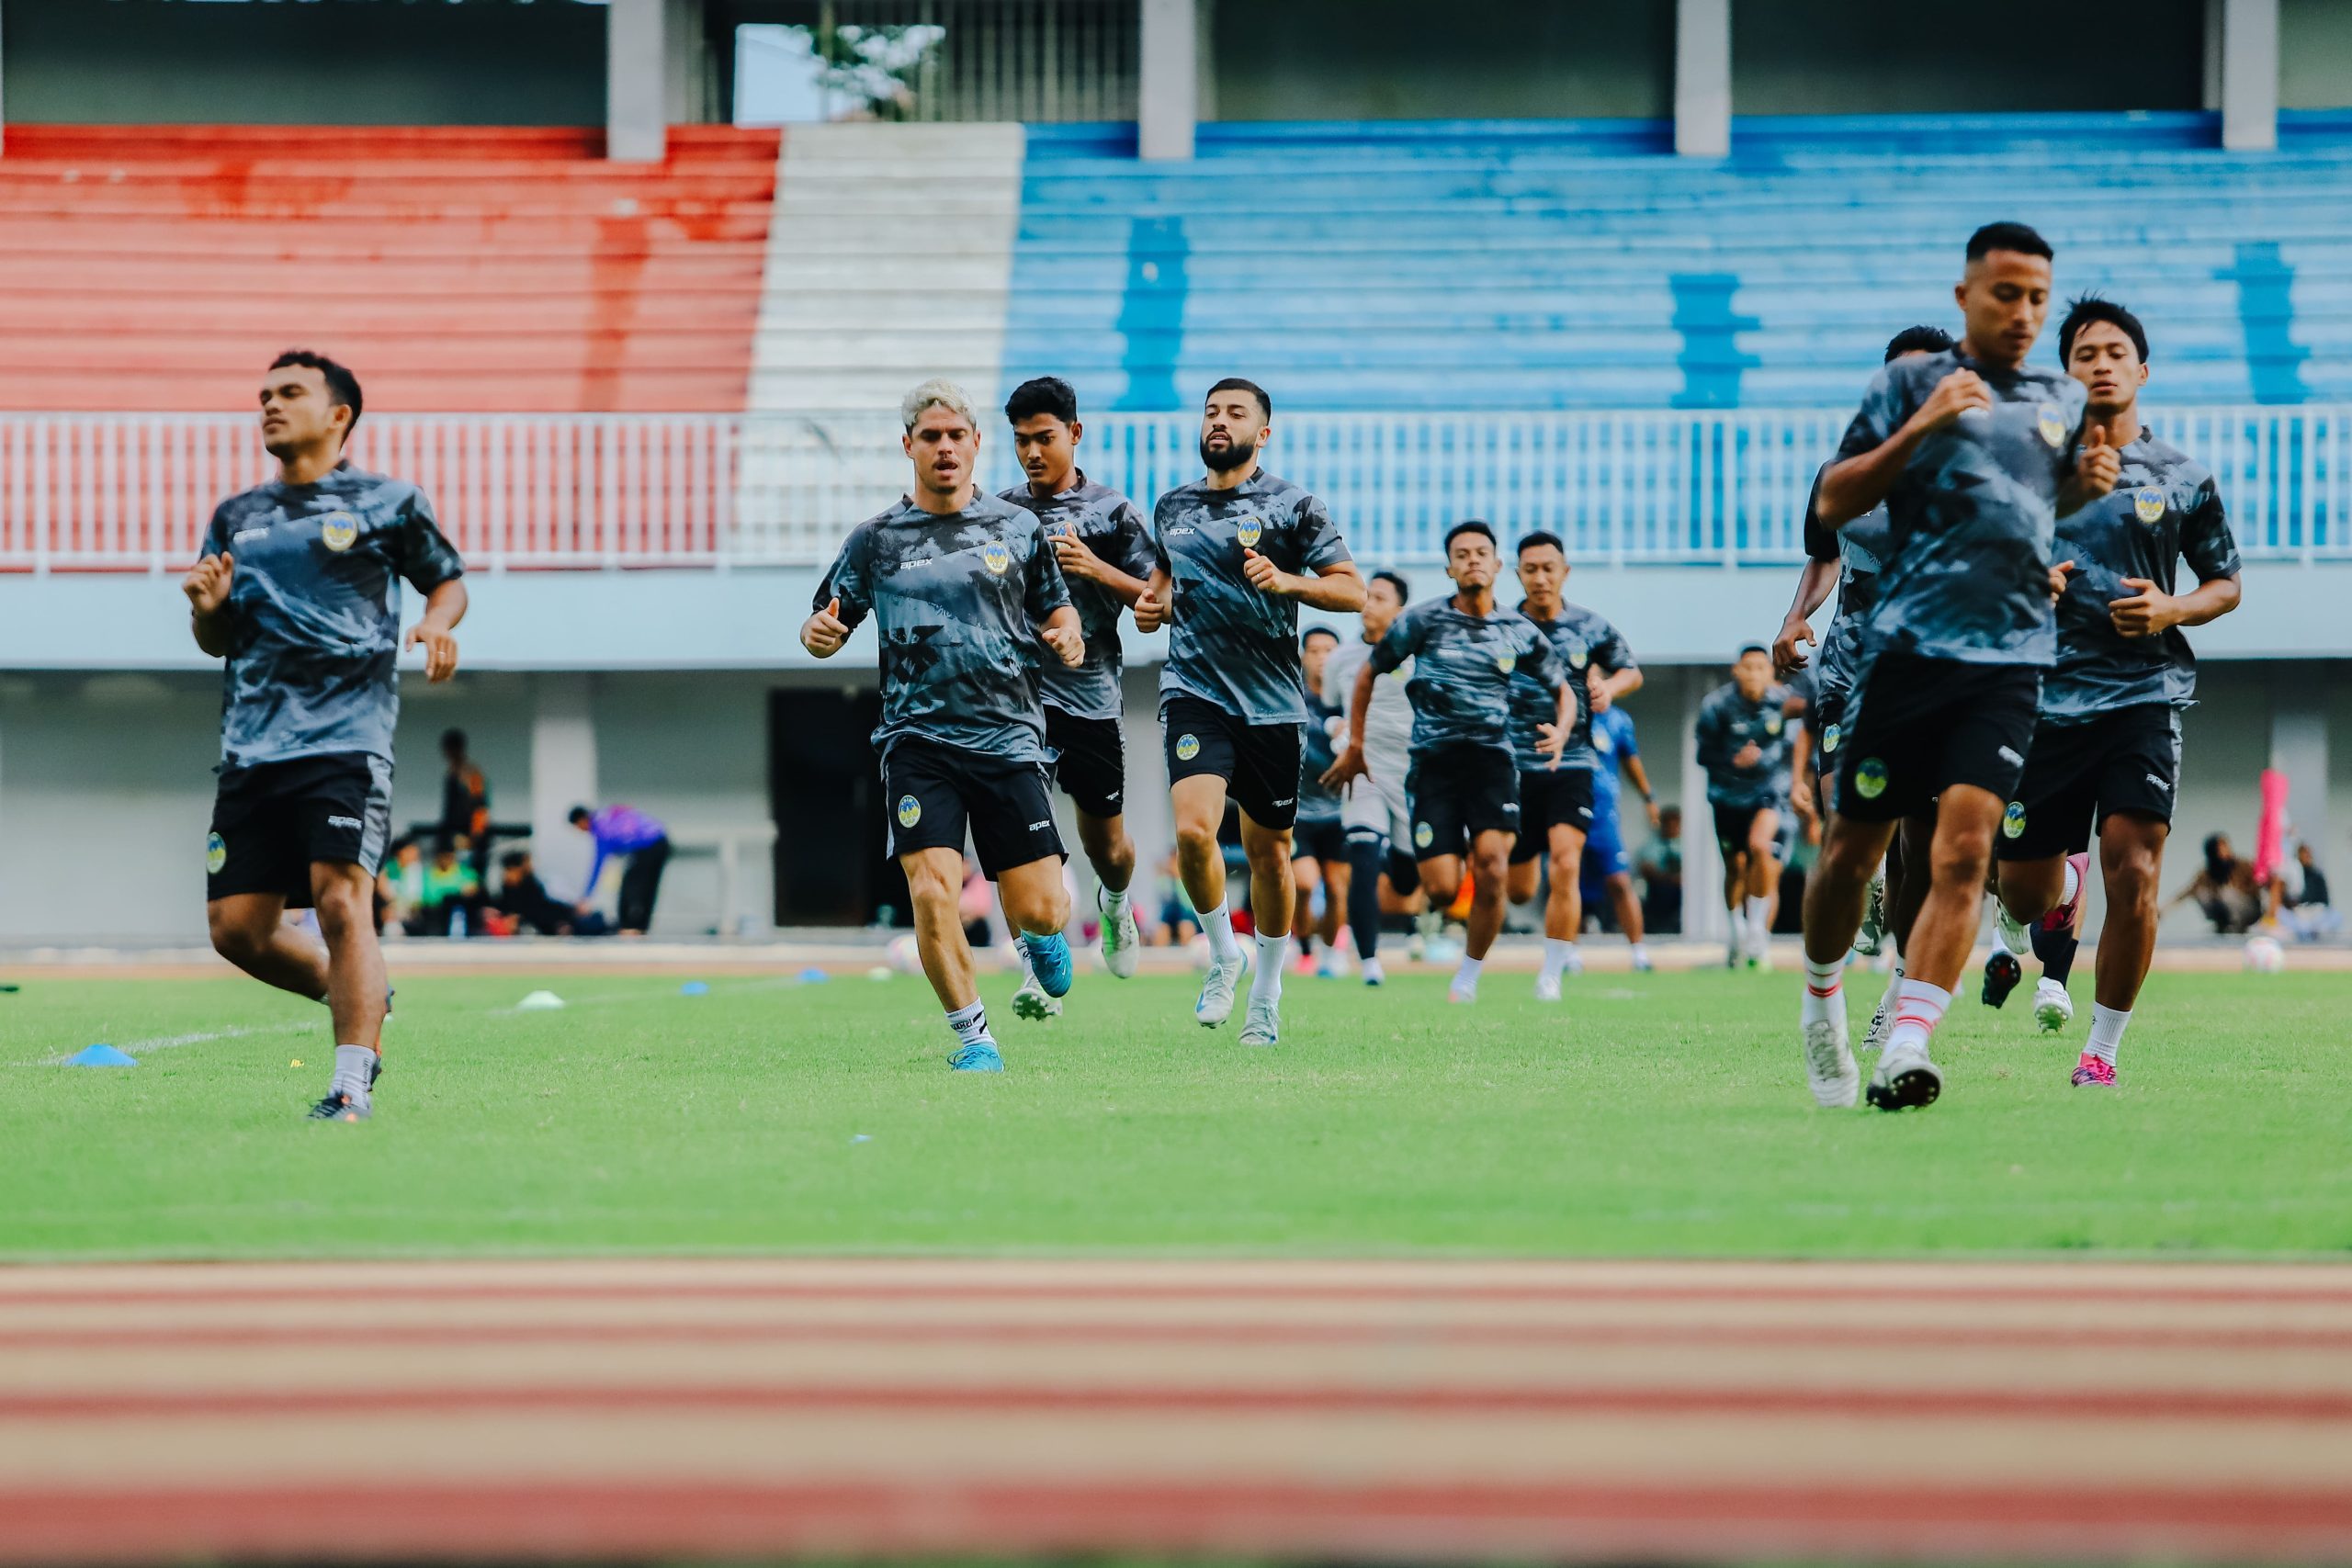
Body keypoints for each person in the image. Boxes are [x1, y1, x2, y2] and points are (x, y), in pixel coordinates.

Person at [1799, 221, 2114, 1111]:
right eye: (2004, 294)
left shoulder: (2058, 397)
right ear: (1965, 297)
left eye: (2036, 298)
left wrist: (2081, 490)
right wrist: (1924, 425)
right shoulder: (1908, 383)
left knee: (1965, 851)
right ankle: (1822, 995)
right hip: (1902, 652)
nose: (2022, 313)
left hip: (2009, 658)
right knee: (1852, 853)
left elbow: (2035, 504)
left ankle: (1907, 1040)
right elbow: (1832, 499)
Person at [183, 349, 467, 1123]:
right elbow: (216, 640)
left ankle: (350, 1085)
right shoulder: (236, 516)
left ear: (339, 414)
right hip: (251, 744)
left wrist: (437, 625)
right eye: (264, 394)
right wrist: (208, 608)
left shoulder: (389, 501)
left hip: (347, 737)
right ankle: (361, 985)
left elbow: (446, 579)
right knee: (236, 929)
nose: (270, 404)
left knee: (345, 903)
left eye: (290, 392)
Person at [1986, 296, 2242, 1086]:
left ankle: (2101, 1049)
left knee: (2134, 868)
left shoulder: (2183, 477)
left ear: (2141, 369)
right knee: (2025, 895)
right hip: (2042, 702)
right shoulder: (2027, 472)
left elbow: (2225, 583)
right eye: (2085, 352)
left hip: (2143, 696)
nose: (2100, 362)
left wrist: (2172, 607)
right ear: (2065, 372)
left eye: (2115, 350)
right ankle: (2053, 887)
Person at [802, 378, 1081, 1070]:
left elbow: (1057, 607)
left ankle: (1040, 937)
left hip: (1010, 736)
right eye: (931, 436)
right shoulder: (875, 541)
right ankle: (974, 1037)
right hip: (917, 742)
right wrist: (819, 634)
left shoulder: (1017, 529)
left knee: (1043, 908)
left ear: (977, 443)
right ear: (909, 446)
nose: (945, 447)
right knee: (932, 890)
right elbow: (828, 618)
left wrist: (1068, 633)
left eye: (956, 434)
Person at [1134, 377, 1364, 1043]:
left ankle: (1267, 987)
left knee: (1270, 854)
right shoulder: (1172, 506)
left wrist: (1288, 580)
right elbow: (1163, 591)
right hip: (1195, 691)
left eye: (1235, 413)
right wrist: (1153, 606)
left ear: (1262, 431)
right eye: (1211, 411)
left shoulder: (1296, 506)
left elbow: (1352, 591)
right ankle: (1221, 954)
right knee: (1193, 832)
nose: (1219, 421)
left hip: (1271, 703)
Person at [1777, 326, 1956, 1011]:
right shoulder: (1843, 472)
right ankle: (1855, 918)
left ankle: (1900, 988)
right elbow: (1824, 553)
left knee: (1919, 839)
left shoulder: (1971, 471)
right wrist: (1796, 618)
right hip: (1850, 672)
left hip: (1936, 675)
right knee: (1844, 821)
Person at [1329, 521, 1568, 1005]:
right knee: (1440, 889)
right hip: (1433, 765)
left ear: (1498, 565)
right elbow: (1368, 673)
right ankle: (1449, 844)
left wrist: (1562, 730)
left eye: (1482, 552)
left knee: (1494, 869)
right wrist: (1355, 744)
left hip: (1492, 762)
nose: (1473, 560)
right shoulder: (1422, 622)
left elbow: (1562, 689)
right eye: (1462, 554)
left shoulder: (1517, 630)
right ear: (1449, 567)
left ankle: (1468, 975)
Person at [996, 376, 1158, 1011]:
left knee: (1106, 848)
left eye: (1044, 438)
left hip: (1090, 699)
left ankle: (1116, 904)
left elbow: (1160, 601)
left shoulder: (1113, 513)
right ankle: (1039, 977)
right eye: (1021, 442)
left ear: (1074, 433)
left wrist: (1095, 569)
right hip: (1013, 704)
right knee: (1023, 844)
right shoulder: (998, 512)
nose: (1033, 453)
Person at [1504, 530, 1640, 998]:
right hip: (1515, 767)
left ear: (1564, 572)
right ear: (1517, 573)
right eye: (1530, 569)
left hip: (1576, 762)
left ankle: (1552, 973)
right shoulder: (1503, 626)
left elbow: (1630, 670)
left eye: (1548, 568)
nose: (1540, 578)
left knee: (1566, 864)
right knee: (1519, 889)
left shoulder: (1590, 625)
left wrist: (1610, 689)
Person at [1320, 570, 1416, 984]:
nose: (1368, 603)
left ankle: (1400, 857)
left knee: (1409, 879)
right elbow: (1327, 710)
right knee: (1361, 857)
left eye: (1379, 597)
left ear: (1399, 609)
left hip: (1411, 776)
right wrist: (1335, 728)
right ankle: (1369, 961)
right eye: (1367, 595)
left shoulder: (1417, 654)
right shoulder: (1341, 659)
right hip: (1363, 770)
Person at [1696, 645, 1794, 970]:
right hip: (1726, 796)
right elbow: (1703, 754)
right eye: (1747, 668)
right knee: (1735, 866)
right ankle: (1736, 926)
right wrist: (1733, 760)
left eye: (1760, 668)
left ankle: (1757, 931)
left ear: (1771, 672)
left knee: (1760, 847)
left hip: (1769, 791)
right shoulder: (1717, 705)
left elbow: (1797, 745)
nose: (1754, 674)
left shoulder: (1785, 704)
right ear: (1736, 671)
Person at [1580, 699, 1660, 970]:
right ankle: (1566, 953)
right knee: (1566, 881)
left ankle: (1639, 953)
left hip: (1604, 815)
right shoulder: (1564, 708)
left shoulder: (1618, 720)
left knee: (1620, 881)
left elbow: (1631, 760)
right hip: (1568, 810)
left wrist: (1648, 797)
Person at [1293, 626, 1351, 976]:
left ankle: (1332, 954)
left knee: (1336, 888)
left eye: (1329, 650)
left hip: (1340, 810)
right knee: (1304, 883)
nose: (1322, 658)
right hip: (1299, 809)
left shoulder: (1350, 699)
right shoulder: (1292, 697)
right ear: (1303, 656)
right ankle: (1303, 949)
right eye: (1314, 651)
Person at [569, 803, 672, 936]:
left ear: (582, 820)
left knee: (631, 886)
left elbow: (598, 866)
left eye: (578, 827)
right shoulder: (606, 816)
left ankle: (629, 925)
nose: (580, 830)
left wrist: (586, 896)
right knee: (648, 886)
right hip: (661, 841)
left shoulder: (601, 827)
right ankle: (640, 926)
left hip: (649, 845)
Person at [494, 849, 605, 937]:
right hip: (548, 923)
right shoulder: (512, 888)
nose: (531, 866)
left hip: (558, 919)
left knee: (591, 922)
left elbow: (544, 907)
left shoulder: (530, 883)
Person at [438, 728, 491, 876]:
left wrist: (474, 837)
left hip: (469, 836)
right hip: (453, 833)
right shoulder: (451, 773)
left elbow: (481, 807)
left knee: (471, 877)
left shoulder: (471, 773)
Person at [1638, 805, 1684, 935]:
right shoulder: (1654, 843)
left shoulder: (1686, 843)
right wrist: (1668, 878)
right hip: (1661, 887)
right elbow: (1646, 867)